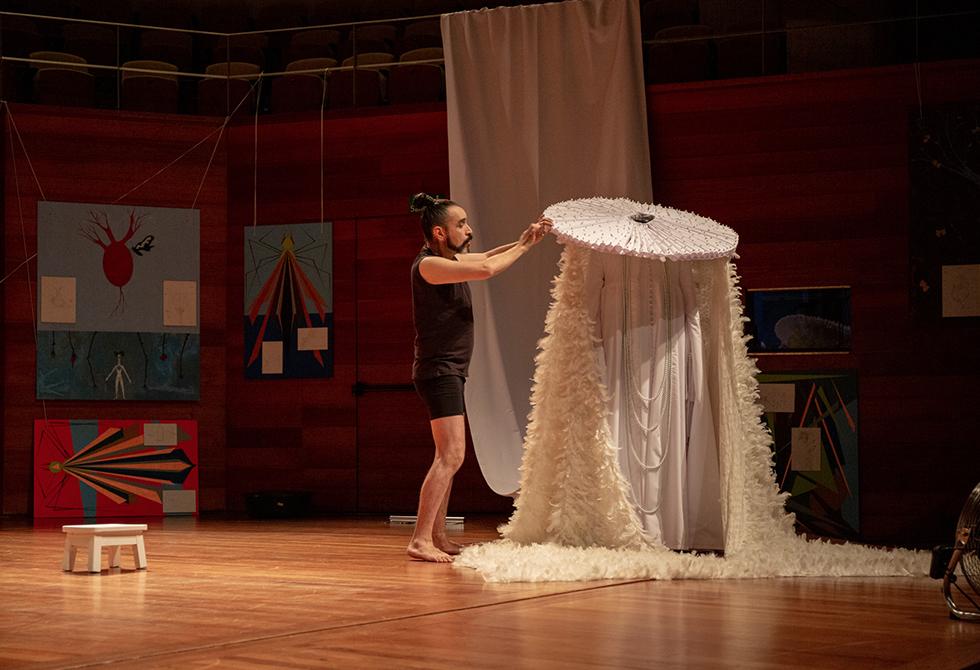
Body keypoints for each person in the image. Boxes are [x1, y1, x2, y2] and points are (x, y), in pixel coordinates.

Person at [407, 192, 551, 562]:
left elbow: (486, 256)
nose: (469, 230)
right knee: (451, 456)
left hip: (448, 371)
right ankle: (420, 540)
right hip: (439, 372)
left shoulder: (447, 260)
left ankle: (437, 536)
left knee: (447, 456)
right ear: (440, 233)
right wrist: (524, 247)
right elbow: (486, 269)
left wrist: (524, 241)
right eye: (461, 224)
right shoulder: (428, 266)